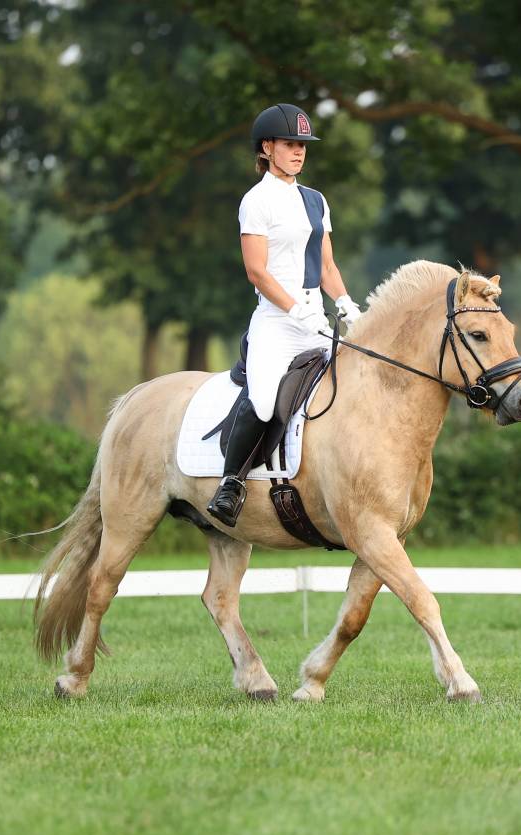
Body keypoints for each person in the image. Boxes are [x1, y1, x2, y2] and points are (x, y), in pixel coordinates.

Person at [206, 103, 363, 527]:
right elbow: (256, 270)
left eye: (303, 146)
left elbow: (327, 266)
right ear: (267, 147)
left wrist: (347, 305)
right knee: (262, 402)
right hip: (277, 323)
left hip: (316, 319)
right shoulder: (256, 201)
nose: (298, 152)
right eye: (290, 144)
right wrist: (294, 309)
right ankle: (231, 484)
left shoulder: (315, 200)